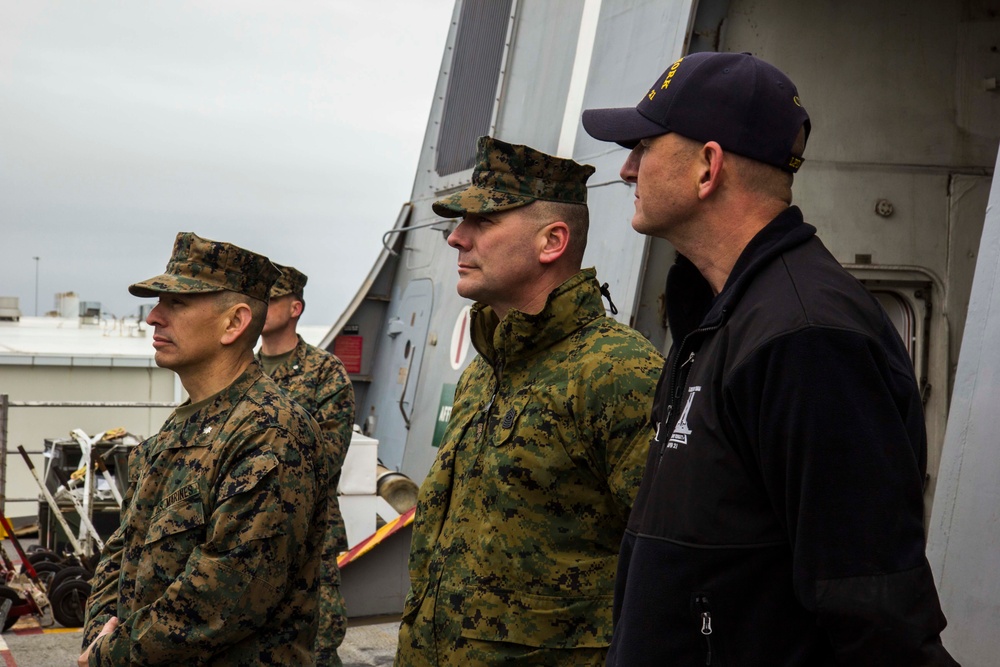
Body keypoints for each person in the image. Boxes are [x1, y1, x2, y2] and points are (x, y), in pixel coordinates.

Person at [582, 51, 957, 665]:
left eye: (644, 146)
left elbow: (872, 610)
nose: (626, 169)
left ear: (708, 166)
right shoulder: (722, 318)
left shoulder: (805, 338)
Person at [395, 136, 664, 666]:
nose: (456, 239)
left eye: (483, 223)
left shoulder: (618, 373)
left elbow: (666, 569)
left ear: (552, 241)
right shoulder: (487, 369)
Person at [80, 233, 331, 666]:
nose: (153, 317)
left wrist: (113, 654)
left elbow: (225, 597)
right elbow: (120, 553)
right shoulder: (176, 431)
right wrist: (98, 637)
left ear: (234, 323)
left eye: (176, 304)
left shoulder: (272, 434)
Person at [258, 263, 355, 667]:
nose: (262, 305)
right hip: (243, 535)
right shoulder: (236, 371)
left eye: (273, 298)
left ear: (295, 307)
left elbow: (326, 459)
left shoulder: (324, 373)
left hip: (307, 535)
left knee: (316, 646)